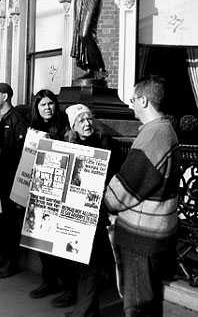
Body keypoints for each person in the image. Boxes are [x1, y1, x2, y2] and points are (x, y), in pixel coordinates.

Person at [104, 76, 180, 317]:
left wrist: (106, 198)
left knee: (138, 306)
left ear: (145, 100)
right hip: (153, 234)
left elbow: (125, 189)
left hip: (140, 239)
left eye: (133, 99)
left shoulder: (154, 135)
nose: (131, 104)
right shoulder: (162, 130)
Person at [56, 103, 115, 317]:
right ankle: (85, 308)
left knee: (88, 263)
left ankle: (85, 312)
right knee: (80, 263)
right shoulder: (66, 144)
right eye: (81, 120)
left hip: (96, 211)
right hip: (73, 212)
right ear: (73, 126)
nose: (87, 123)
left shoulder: (105, 143)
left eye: (89, 118)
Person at [0, 82, 28, 279]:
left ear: (5, 96)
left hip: (10, 179)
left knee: (10, 223)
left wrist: (1, 152)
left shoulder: (17, 119)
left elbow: (22, 152)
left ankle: (13, 262)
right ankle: (2, 255)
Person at [28, 90, 68, 299]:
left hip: (59, 190)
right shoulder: (32, 128)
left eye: (50, 104)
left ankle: (68, 286)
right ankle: (49, 281)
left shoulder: (64, 126)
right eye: (43, 105)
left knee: (60, 243)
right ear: (36, 107)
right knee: (42, 240)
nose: (47, 108)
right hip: (38, 189)